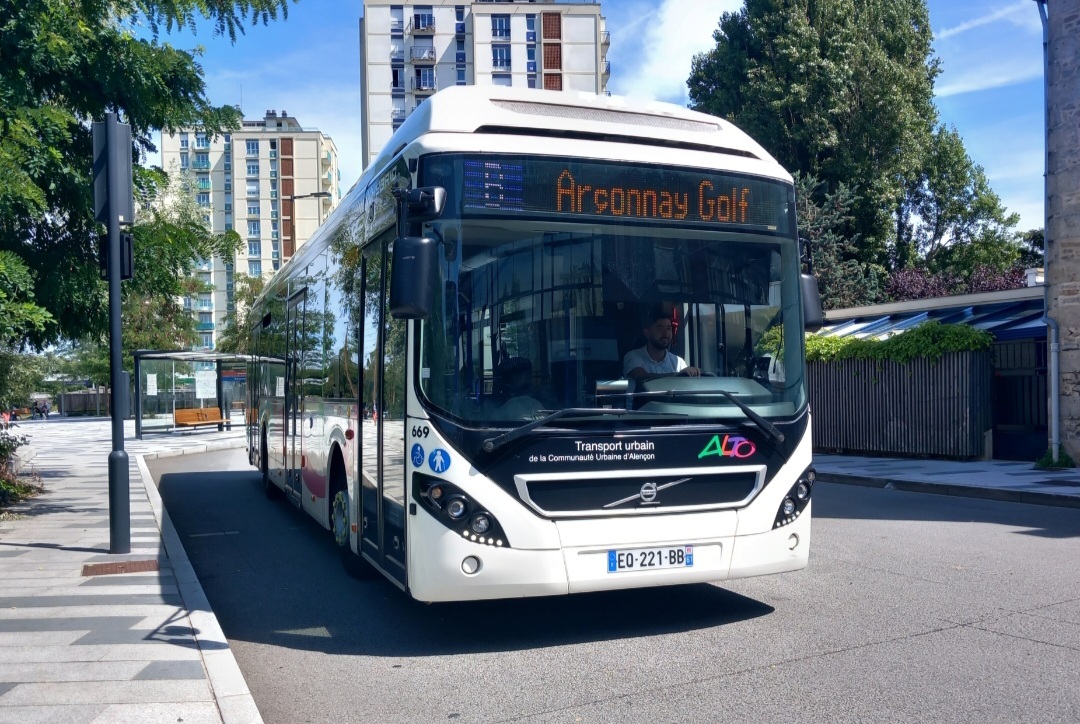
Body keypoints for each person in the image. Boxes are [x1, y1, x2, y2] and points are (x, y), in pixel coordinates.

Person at [623, 310, 701, 379]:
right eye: (660, 329)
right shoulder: (632, 356)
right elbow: (641, 376)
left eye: (669, 329)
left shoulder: (678, 362)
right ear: (647, 332)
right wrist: (677, 375)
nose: (666, 334)